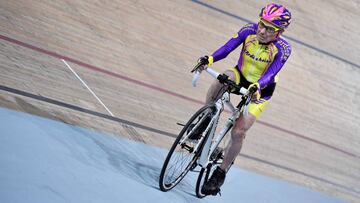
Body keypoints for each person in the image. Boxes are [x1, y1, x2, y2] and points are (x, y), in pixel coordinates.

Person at [195, 3, 292, 195]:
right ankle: (205, 119)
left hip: (261, 89)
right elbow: (228, 47)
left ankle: (220, 174)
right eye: (262, 24)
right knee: (221, 80)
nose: (262, 31)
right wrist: (210, 59)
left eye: (269, 29)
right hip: (240, 75)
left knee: (238, 132)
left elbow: (272, 74)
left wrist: (257, 86)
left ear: (279, 32)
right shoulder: (249, 30)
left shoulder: (283, 48)